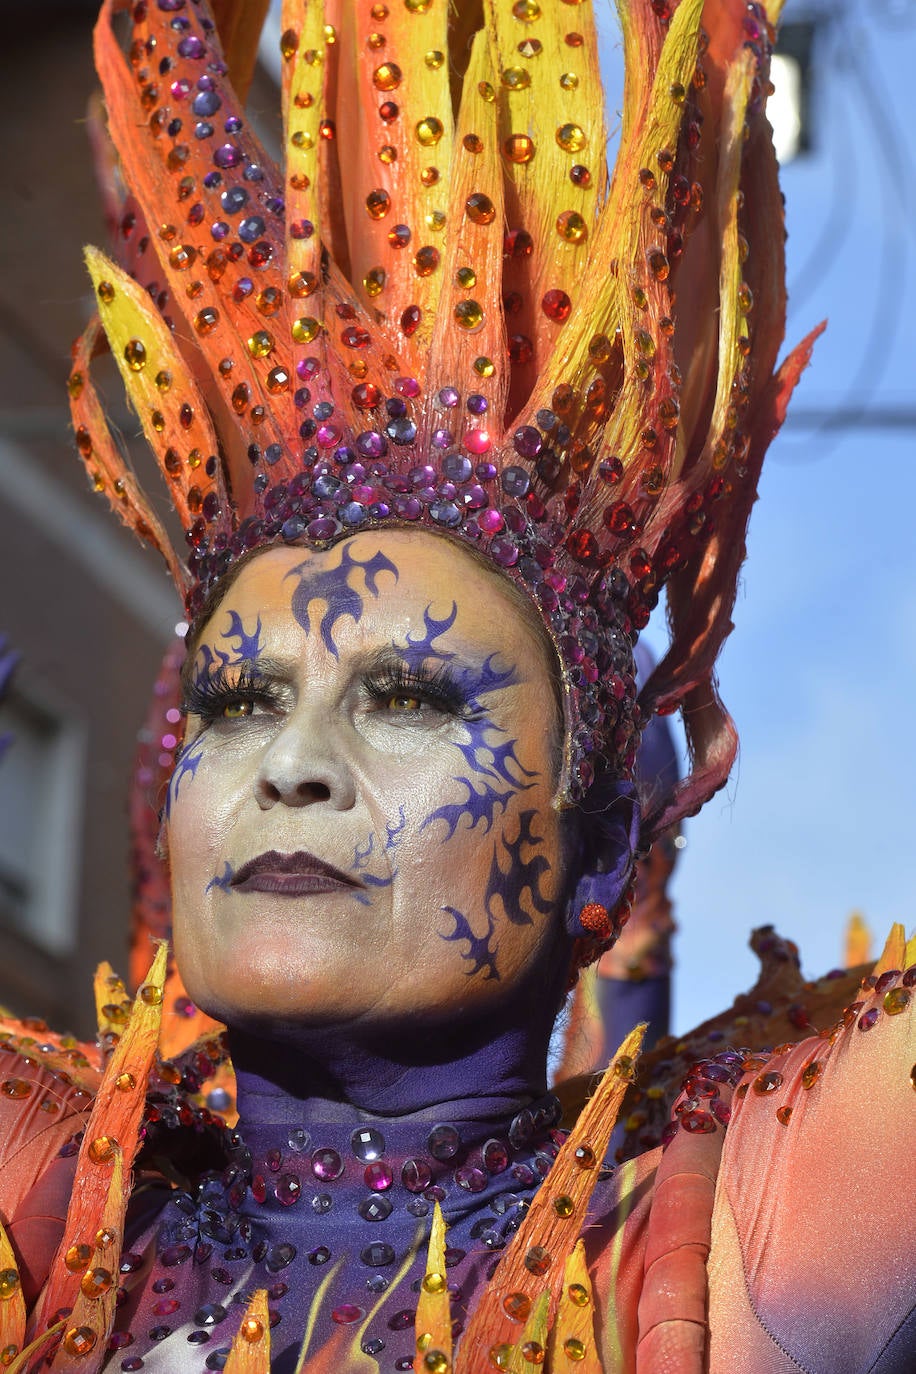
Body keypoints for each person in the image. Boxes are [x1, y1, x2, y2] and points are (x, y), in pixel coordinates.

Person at [0, 2, 912, 1372]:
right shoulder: (53, 1194)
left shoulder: (746, 1223)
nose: (286, 766)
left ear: (599, 846)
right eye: (238, 700)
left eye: (411, 698)